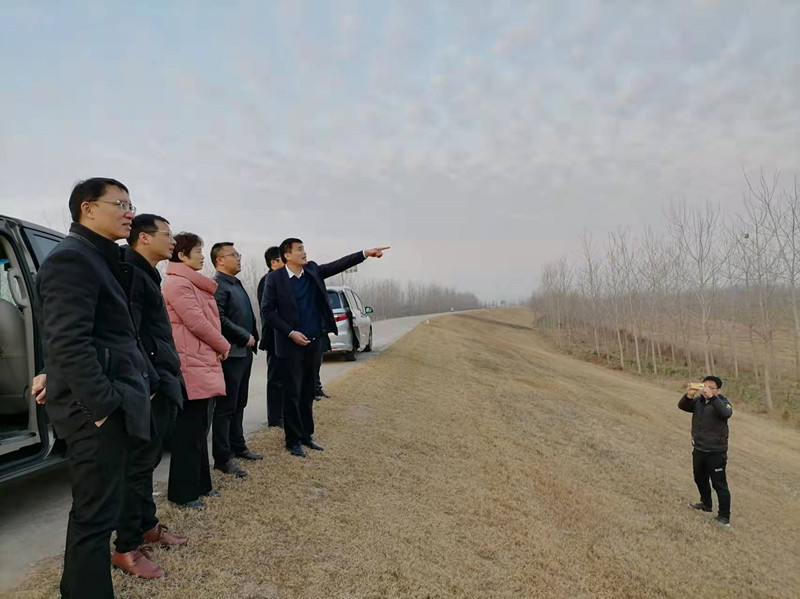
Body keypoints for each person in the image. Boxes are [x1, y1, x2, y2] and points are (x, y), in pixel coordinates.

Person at [36, 178, 152, 599]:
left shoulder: (101, 258)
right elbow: (68, 340)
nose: (129, 212)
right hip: (95, 412)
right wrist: (103, 406)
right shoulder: (72, 260)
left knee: (101, 511)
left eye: (131, 203)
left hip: (108, 401)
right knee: (94, 517)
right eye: (120, 203)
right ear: (88, 209)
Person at [262, 238, 389, 457]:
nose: (304, 252)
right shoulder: (274, 279)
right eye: (299, 249)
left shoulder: (312, 271)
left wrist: (364, 253)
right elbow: (267, 311)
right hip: (290, 345)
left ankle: (306, 436)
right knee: (292, 393)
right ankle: (292, 441)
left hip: (314, 342)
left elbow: (337, 265)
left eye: (304, 248)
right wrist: (290, 332)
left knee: (308, 391)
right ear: (287, 255)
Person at [112, 214, 188, 578]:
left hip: (157, 381)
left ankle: (147, 526)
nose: (172, 241)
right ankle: (126, 546)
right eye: (167, 235)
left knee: (148, 461)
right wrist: (152, 379)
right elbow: (129, 335)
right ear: (144, 238)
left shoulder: (145, 272)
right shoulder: (129, 274)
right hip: (147, 386)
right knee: (137, 466)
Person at [162, 232, 230, 507]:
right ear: (181, 256)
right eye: (198, 251)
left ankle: (202, 485)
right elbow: (197, 323)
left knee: (200, 429)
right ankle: (183, 493)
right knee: (188, 433)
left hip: (201, 361)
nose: (203, 255)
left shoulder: (193, 283)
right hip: (189, 364)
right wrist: (223, 344)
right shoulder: (177, 284)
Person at [211, 242, 262, 477]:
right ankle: (222, 458)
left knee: (239, 403)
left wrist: (254, 337)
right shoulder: (218, 285)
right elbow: (218, 318)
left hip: (245, 353)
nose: (239, 258)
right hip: (230, 353)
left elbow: (246, 314)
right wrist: (244, 336)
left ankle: (238, 446)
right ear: (220, 260)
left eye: (238, 254)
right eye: (234, 255)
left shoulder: (235, 283)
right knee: (225, 408)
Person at [678, 376, 734, 527]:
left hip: (716, 451)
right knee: (699, 478)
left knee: (719, 484)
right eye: (704, 386)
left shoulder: (722, 402)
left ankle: (724, 517)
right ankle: (706, 504)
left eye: (710, 387)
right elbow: (683, 406)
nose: (706, 390)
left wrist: (713, 398)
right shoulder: (699, 401)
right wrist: (689, 395)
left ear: (718, 390)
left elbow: (726, 413)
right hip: (699, 448)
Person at [257, 246, 286, 428]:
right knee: (276, 379)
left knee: (286, 378)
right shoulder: (268, 281)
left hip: (286, 338)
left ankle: (284, 414)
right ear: (274, 262)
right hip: (275, 337)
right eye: (284, 259)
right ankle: (275, 419)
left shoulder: (283, 279)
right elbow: (270, 312)